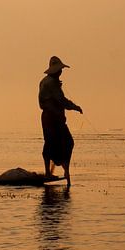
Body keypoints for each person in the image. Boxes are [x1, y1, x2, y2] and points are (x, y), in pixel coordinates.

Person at [39, 56, 83, 187]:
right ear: (56, 71)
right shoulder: (51, 83)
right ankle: (57, 171)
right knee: (66, 142)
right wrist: (75, 107)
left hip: (49, 117)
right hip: (53, 117)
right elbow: (61, 100)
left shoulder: (45, 81)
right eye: (60, 70)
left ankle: (53, 171)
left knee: (51, 142)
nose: (61, 72)